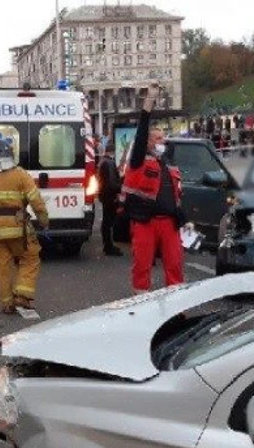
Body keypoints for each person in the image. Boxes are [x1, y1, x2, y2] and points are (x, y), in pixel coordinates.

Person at [121, 83, 192, 294]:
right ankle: (140, 307)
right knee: (142, 267)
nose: (164, 141)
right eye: (158, 138)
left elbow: (175, 197)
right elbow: (142, 132)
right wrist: (149, 102)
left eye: (164, 137)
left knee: (175, 266)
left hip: (169, 224)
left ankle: (177, 311)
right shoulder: (138, 162)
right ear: (149, 143)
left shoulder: (169, 165)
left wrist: (185, 219)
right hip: (146, 222)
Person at [0, 139, 48, 314]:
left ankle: (7, 304)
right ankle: (22, 295)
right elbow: (36, 201)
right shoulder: (20, 174)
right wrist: (44, 221)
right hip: (18, 228)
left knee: (1, 265)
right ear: (10, 155)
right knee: (30, 256)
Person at [98, 142, 123, 257]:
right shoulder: (110, 163)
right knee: (109, 222)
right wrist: (120, 189)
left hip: (104, 195)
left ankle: (106, 244)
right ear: (112, 151)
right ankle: (109, 246)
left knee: (106, 221)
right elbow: (112, 183)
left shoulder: (102, 162)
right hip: (110, 196)